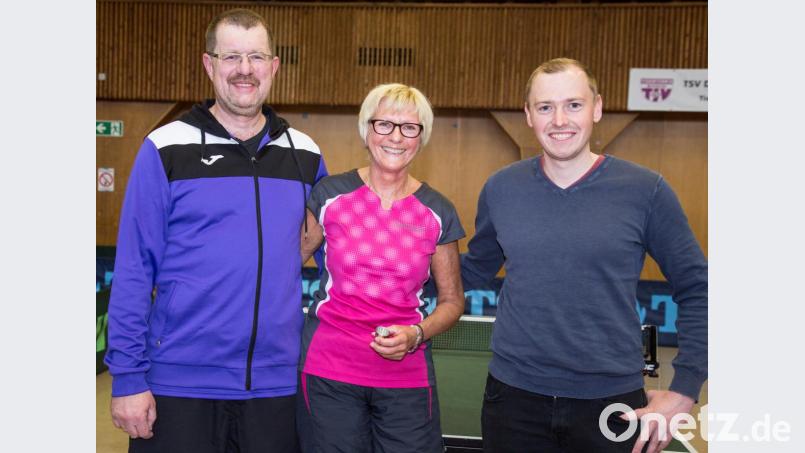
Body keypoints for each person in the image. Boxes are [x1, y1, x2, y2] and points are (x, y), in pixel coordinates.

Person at [105, 8, 327, 452]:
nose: (245, 70)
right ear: (209, 65)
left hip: (275, 385)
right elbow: (134, 267)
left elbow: (337, 259)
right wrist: (128, 377)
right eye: (231, 57)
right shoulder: (165, 148)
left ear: (274, 67)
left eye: (256, 57)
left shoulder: (305, 154)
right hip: (179, 381)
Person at [461, 58, 707, 453]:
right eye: (545, 107)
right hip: (512, 401)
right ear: (528, 115)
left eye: (573, 105)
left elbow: (699, 289)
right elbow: (472, 269)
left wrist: (684, 390)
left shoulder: (647, 191)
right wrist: (391, 267)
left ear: (597, 108)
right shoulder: (501, 189)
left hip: (611, 404)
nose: (559, 120)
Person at [296, 83, 465, 453]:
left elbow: (453, 301)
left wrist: (416, 334)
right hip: (328, 372)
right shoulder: (328, 196)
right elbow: (282, 265)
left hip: (407, 378)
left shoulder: (439, 211)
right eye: (384, 124)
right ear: (366, 129)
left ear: (421, 137)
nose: (396, 137)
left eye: (409, 127)